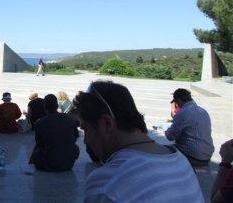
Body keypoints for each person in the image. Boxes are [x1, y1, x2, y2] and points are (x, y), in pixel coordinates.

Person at [74, 80, 205, 202]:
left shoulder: (106, 182)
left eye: (86, 130)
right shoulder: (182, 161)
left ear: (107, 123)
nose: (86, 140)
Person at [165, 88, 214, 167]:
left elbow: (170, 136)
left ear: (179, 100)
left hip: (194, 157)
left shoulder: (182, 113)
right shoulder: (203, 111)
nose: (176, 105)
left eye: (176, 102)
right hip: (207, 155)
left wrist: (166, 130)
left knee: (161, 150)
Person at [30, 94, 79, 172]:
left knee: (36, 151)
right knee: (74, 147)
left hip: (49, 164)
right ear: (57, 106)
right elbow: (76, 137)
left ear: (45, 107)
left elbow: (40, 144)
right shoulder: (69, 119)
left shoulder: (40, 123)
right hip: (68, 163)